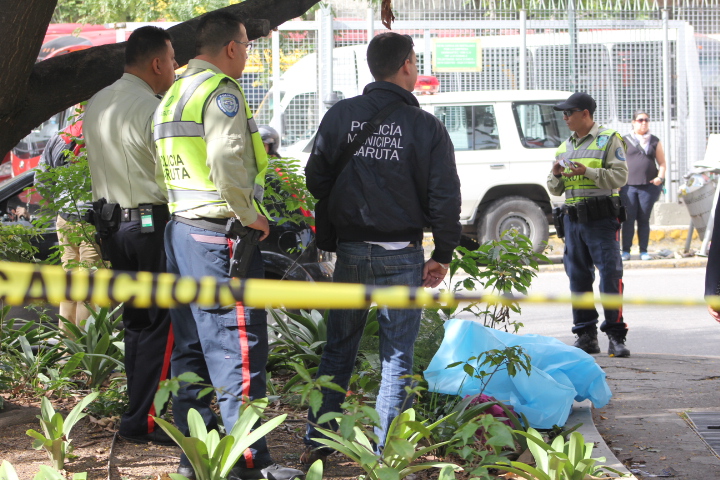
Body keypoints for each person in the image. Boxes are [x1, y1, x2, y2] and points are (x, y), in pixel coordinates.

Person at [152, 11, 304, 480]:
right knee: (238, 348)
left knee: (192, 350)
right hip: (218, 238)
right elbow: (225, 158)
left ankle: (195, 457)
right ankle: (250, 462)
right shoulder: (221, 92)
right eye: (248, 47)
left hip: (181, 232)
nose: (248, 56)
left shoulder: (172, 92)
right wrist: (249, 213)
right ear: (233, 48)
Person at [301, 32, 461, 463]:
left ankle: (318, 444)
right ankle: (385, 455)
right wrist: (442, 255)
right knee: (396, 358)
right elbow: (444, 198)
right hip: (403, 257)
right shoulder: (426, 127)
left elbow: (315, 179)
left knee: (338, 349)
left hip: (350, 253)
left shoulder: (341, 115)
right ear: (407, 64)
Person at [83, 26, 177, 445]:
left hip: (112, 227)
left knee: (138, 323)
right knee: (161, 322)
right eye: (173, 61)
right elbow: (171, 174)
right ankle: (144, 419)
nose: (175, 69)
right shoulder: (154, 108)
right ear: (157, 63)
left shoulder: (97, 102)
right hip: (150, 225)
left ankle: (135, 411)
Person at [548, 92, 630, 358]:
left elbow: (620, 177)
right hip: (573, 221)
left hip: (601, 219)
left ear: (585, 114)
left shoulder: (609, 139)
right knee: (578, 278)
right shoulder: (564, 147)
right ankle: (585, 335)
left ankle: (616, 336)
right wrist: (556, 174)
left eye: (569, 113)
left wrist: (587, 171)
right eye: (563, 113)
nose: (565, 118)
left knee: (610, 276)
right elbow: (554, 188)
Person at [37, 116, 101, 329]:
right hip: (90, 221)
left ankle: (66, 349)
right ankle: (85, 350)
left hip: (64, 218)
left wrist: (59, 200)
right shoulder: (100, 134)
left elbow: (41, 180)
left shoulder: (58, 137)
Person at [619, 110, 666, 261]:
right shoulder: (624, 140)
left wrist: (660, 177)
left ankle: (643, 251)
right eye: (640, 120)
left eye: (646, 120)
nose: (643, 123)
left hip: (648, 187)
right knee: (628, 220)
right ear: (633, 122)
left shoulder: (654, 141)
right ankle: (626, 251)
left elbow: (662, 163)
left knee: (644, 219)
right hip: (628, 187)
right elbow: (616, 162)